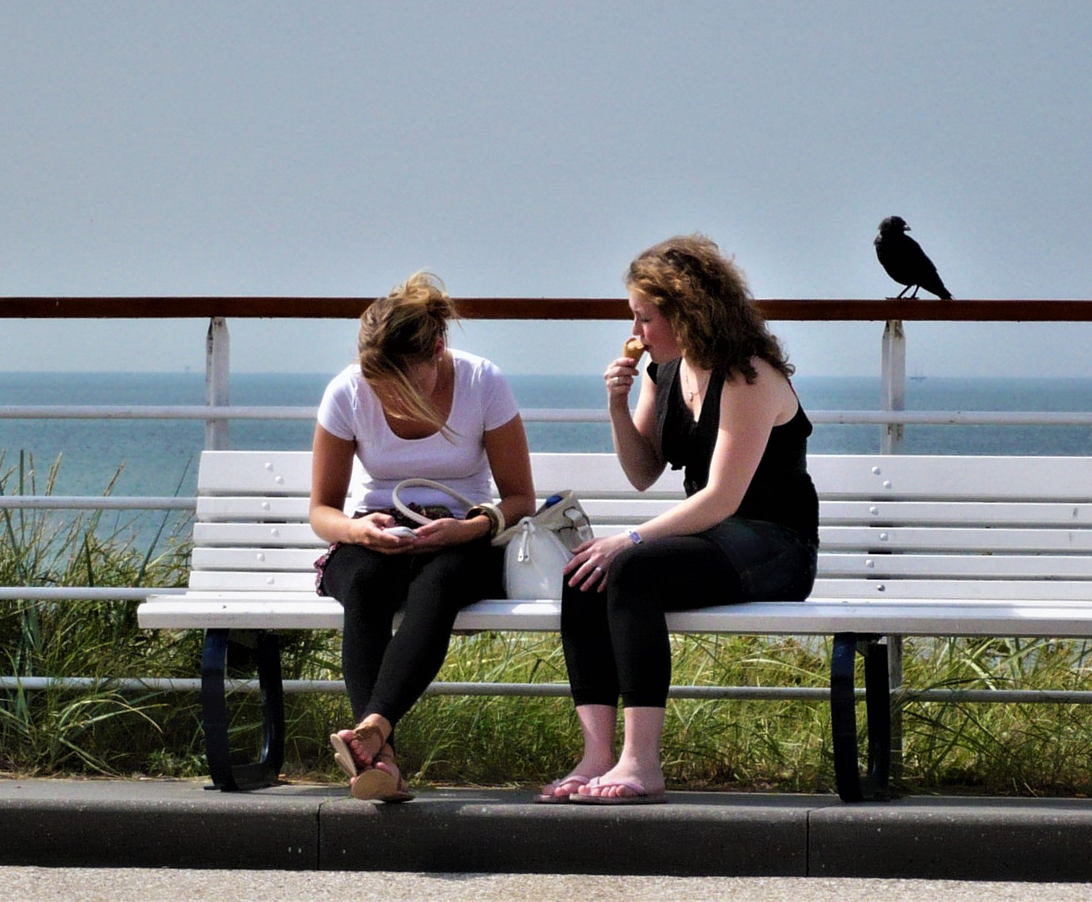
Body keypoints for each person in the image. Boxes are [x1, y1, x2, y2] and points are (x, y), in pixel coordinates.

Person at [545, 235, 820, 805]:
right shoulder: (663, 374)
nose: (637, 333)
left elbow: (721, 497)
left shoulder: (747, 376)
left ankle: (640, 763)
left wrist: (632, 537)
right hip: (714, 539)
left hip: (775, 543)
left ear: (687, 312)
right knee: (585, 572)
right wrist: (618, 408)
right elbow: (643, 472)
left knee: (629, 568)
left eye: (646, 319)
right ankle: (597, 754)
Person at [311, 272, 536, 801]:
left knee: (436, 587)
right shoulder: (347, 390)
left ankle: (373, 733)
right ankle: (381, 755)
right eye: (381, 385)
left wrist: (471, 527)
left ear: (437, 349)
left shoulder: (483, 382)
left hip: (464, 534)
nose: (393, 398)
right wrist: (358, 530)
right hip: (376, 533)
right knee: (363, 585)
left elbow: (521, 499)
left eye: (404, 385)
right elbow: (322, 510)